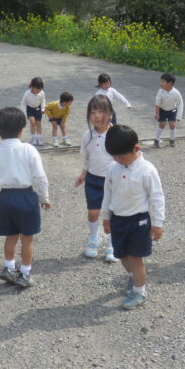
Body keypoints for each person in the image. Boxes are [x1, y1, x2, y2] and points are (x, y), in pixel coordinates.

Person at [0, 107, 51, 288]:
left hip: (5, 197)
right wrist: (44, 198)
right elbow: (40, 176)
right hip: (26, 196)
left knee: (11, 236)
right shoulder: (28, 149)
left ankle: (9, 268)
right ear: (22, 129)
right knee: (27, 238)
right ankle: (25, 273)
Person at [101, 125, 165, 309]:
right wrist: (106, 216)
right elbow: (108, 193)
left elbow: (157, 197)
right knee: (121, 254)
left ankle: (140, 292)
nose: (118, 160)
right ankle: (132, 278)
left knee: (135, 258)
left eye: (122, 157)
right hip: (118, 219)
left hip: (139, 221)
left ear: (136, 149)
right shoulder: (113, 168)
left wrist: (158, 224)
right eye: (114, 156)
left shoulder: (147, 170)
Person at [75, 95, 119, 263]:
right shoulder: (88, 135)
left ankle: (113, 243)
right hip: (93, 179)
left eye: (101, 111)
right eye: (93, 112)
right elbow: (88, 157)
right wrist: (83, 173)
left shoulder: (116, 133)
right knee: (93, 212)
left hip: (113, 181)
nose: (97, 116)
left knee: (113, 213)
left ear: (110, 113)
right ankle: (94, 237)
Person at [153, 73, 183, 148]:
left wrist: (179, 116)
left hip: (172, 110)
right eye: (161, 81)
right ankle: (156, 140)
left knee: (172, 124)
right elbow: (157, 103)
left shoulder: (176, 92)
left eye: (163, 82)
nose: (161, 83)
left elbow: (180, 103)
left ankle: (172, 139)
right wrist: (157, 113)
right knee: (162, 124)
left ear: (170, 84)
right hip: (162, 109)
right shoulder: (160, 91)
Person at [20, 77, 46, 146]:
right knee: (32, 123)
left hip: (38, 109)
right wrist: (25, 114)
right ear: (32, 87)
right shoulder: (27, 94)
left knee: (38, 123)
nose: (39, 91)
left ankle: (39, 138)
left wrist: (43, 109)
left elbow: (43, 100)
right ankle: (34, 138)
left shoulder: (41, 93)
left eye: (40, 89)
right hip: (29, 109)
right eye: (37, 89)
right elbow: (23, 103)